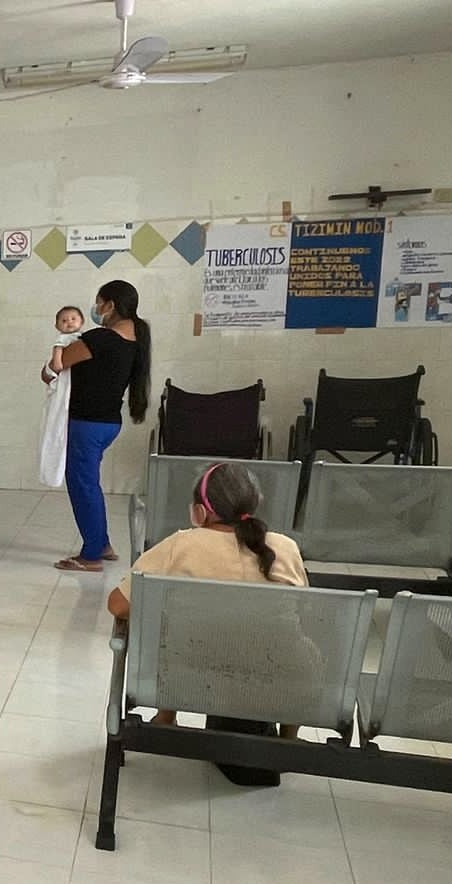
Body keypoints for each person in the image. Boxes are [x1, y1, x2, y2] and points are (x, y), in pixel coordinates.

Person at [107, 462, 313, 785]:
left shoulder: (181, 546)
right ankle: (287, 738)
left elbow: (118, 605)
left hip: (192, 677)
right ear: (254, 503)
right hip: (282, 678)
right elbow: (304, 610)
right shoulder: (285, 548)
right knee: (288, 642)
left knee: (177, 637)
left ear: (201, 512)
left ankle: (165, 719)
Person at [44, 280, 151, 572]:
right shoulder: (135, 340)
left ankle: (90, 555)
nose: (96, 308)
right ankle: (101, 543)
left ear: (110, 305)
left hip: (86, 424)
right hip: (108, 423)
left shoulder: (100, 339)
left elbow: (57, 365)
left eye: (99, 302)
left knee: (82, 486)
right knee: (89, 483)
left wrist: (57, 345)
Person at [39, 306, 87, 489]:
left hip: (75, 392)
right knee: (56, 434)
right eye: (64, 320)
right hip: (64, 390)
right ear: (56, 325)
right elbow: (56, 357)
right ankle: (52, 475)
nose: (69, 323)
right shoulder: (63, 340)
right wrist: (57, 364)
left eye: (73, 319)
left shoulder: (85, 339)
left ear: (81, 321)